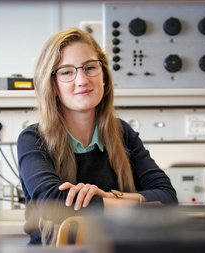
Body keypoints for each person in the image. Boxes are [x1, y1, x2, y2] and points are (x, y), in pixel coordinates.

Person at [17, 28, 178, 245]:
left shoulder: (123, 133)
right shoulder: (33, 139)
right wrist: (133, 203)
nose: (82, 80)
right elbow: (53, 204)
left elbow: (167, 198)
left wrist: (106, 197)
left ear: (103, 76)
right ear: (52, 85)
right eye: (66, 72)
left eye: (90, 67)